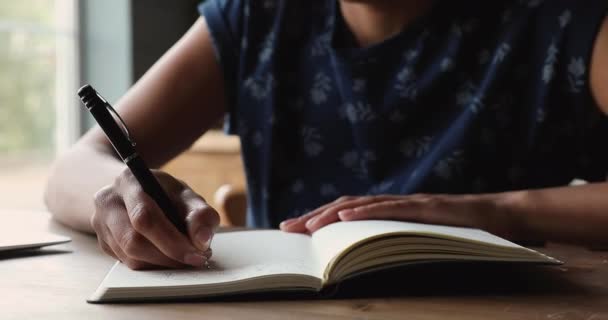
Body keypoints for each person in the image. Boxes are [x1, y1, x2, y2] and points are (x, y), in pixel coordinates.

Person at [45, 0, 608, 270]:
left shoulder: (560, 18)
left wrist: (500, 212)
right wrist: (124, 191)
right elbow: (74, 167)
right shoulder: (259, 17)